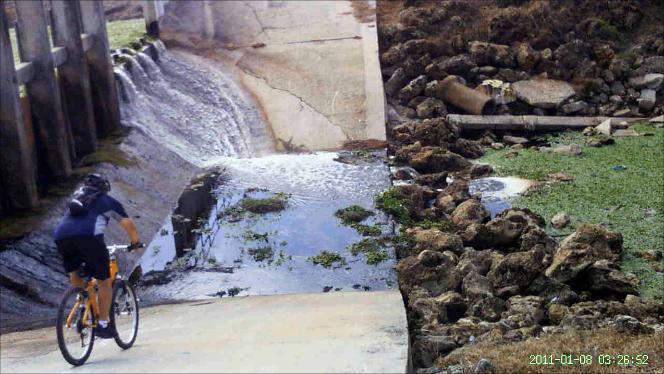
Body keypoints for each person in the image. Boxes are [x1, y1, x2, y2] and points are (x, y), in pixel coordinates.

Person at [53, 174, 142, 338]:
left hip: (61, 237)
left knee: (74, 271)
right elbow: (127, 224)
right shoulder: (108, 201)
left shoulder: (76, 198)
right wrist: (136, 242)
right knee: (104, 282)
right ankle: (103, 324)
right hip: (89, 239)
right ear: (104, 188)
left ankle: (82, 301)